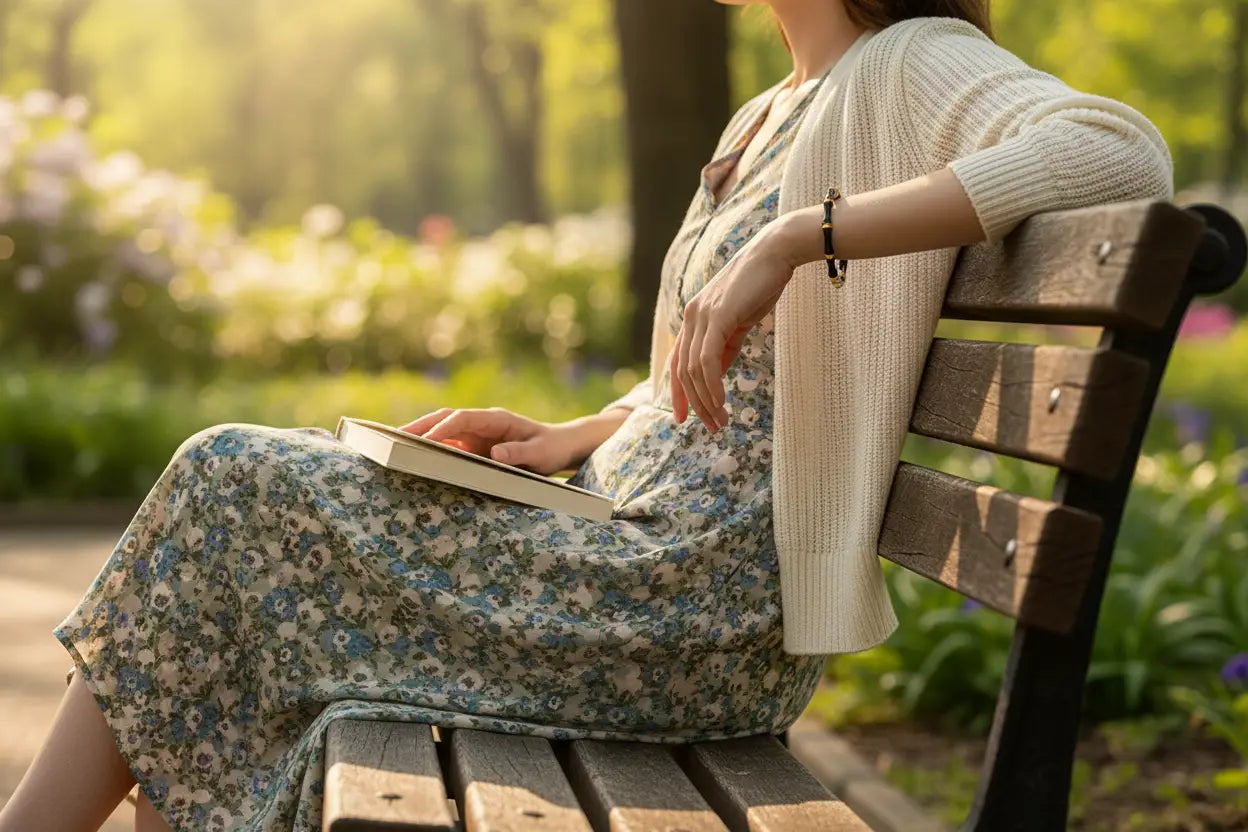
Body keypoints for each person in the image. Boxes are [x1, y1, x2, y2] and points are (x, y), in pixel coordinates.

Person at [0, 1, 1174, 830]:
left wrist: (794, 235)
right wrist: (581, 433)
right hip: (627, 539)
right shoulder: (769, 112)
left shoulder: (911, 61)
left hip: (698, 599)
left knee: (232, 483)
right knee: (238, 553)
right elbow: (721, 379)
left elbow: (1122, 151)